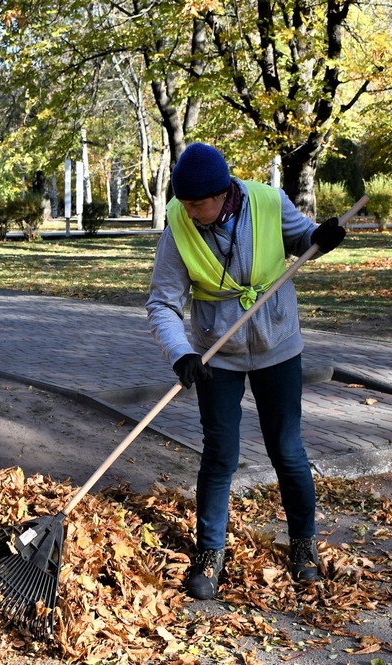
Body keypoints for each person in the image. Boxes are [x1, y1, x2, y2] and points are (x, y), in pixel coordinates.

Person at [146, 143, 346, 600]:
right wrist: (181, 353)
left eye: (199, 203)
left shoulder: (268, 202)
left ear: (224, 192)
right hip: (217, 354)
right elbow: (161, 301)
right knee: (220, 455)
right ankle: (210, 553)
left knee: (287, 449)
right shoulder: (178, 225)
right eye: (185, 203)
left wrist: (324, 239)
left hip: (278, 344)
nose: (191, 211)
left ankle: (303, 546)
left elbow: (304, 243)